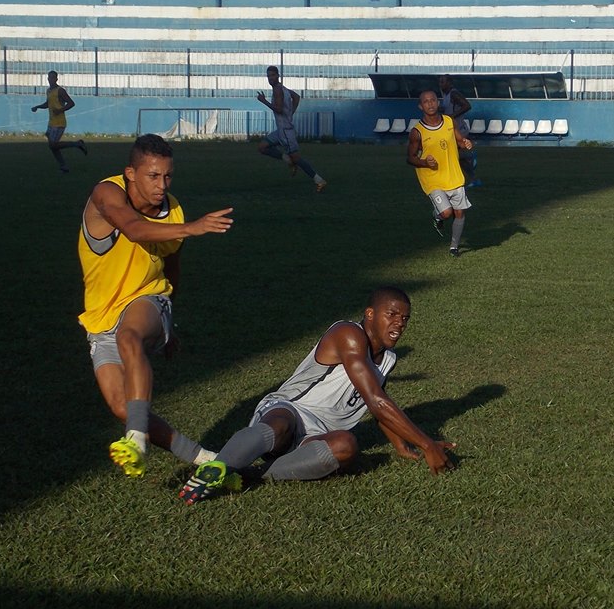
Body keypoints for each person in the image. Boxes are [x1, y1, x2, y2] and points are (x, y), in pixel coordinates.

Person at [179, 286, 455, 504]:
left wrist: (400, 445)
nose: (400, 323)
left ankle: (248, 474)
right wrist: (427, 444)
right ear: (370, 314)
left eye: (405, 318)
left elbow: (378, 401)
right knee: (279, 424)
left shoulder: (388, 358)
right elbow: (376, 400)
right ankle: (219, 466)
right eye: (392, 314)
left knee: (346, 445)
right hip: (290, 409)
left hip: (318, 434)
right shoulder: (348, 333)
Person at [78, 134, 235, 478]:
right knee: (123, 406)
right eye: (153, 175)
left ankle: (135, 441)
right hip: (100, 316)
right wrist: (193, 228)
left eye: (168, 176)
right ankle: (206, 458)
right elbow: (133, 229)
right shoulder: (106, 193)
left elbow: (173, 269)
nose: (162, 185)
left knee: (130, 336)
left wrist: (168, 321)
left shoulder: (173, 210)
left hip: (149, 299)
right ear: (130, 173)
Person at [407, 90, 474, 258]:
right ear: (420, 106)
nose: (430, 104)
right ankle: (437, 215)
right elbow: (410, 158)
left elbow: (459, 141)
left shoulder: (449, 121)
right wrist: (424, 162)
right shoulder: (417, 132)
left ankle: (454, 247)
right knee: (446, 213)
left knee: (459, 213)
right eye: (426, 101)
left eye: (432, 100)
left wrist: (465, 143)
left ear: (438, 103)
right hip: (432, 179)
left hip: (453, 175)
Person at [256, 65, 327, 192]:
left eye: (272, 75)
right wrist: (291, 112)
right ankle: (287, 159)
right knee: (262, 147)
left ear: (277, 76)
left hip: (285, 131)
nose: (270, 78)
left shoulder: (278, 90)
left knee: (297, 158)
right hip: (281, 130)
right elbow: (297, 97)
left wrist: (264, 101)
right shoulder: (283, 89)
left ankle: (319, 180)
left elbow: (278, 109)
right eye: (268, 76)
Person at [31, 70, 87, 173]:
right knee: (53, 147)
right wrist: (38, 107)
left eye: (52, 77)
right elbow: (48, 103)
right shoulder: (49, 91)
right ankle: (63, 167)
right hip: (51, 122)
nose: (50, 79)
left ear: (56, 79)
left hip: (59, 122)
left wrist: (60, 110)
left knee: (53, 145)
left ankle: (77, 144)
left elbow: (71, 103)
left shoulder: (60, 90)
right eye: (49, 77)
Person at [439, 74, 481, 188]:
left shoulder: (454, 93)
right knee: (456, 157)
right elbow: (448, 109)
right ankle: (474, 178)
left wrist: (452, 116)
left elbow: (467, 105)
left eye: (443, 82)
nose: (440, 84)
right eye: (440, 82)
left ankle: (470, 158)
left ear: (449, 83)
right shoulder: (445, 95)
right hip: (451, 129)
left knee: (450, 154)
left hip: (459, 129)